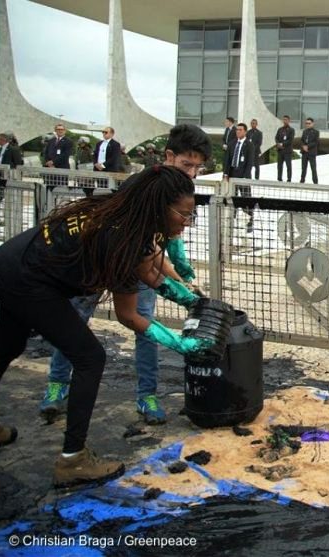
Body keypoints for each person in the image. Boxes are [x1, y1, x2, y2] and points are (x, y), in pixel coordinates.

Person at [0, 165, 213, 487]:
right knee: (89, 357)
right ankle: (73, 460)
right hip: (29, 281)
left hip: (11, 263)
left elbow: (150, 272)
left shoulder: (122, 215)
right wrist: (180, 344)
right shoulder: (122, 242)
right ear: (159, 208)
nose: (187, 223)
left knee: (8, 344)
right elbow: (130, 316)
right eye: (184, 215)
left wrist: (188, 299)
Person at [40, 124, 212, 426]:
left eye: (198, 167)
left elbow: (164, 240)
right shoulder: (143, 185)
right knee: (76, 319)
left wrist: (181, 275)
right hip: (99, 263)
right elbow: (145, 247)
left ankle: (147, 394)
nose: (193, 173)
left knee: (145, 324)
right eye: (187, 164)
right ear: (169, 156)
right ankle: (57, 384)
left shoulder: (181, 188)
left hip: (139, 263)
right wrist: (174, 278)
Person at [224, 123, 256, 232]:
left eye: (240, 130)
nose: (238, 131)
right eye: (237, 130)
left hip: (243, 176)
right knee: (232, 199)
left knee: (246, 200)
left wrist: (245, 178)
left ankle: (250, 221)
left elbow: (250, 162)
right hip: (232, 175)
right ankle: (232, 221)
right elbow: (227, 160)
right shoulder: (232, 143)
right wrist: (225, 174)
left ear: (245, 131)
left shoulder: (249, 145)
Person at [0, 132, 24, 202]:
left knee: (7, 189)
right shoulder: (1, 148)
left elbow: (18, 163)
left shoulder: (13, 149)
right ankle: (1, 198)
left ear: (3, 139)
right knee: (0, 186)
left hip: (9, 173)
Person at [275, 115, 295, 182]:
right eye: (284, 119)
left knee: (288, 165)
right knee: (279, 165)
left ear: (289, 120)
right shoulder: (280, 129)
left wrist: (282, 144)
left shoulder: (291, 130)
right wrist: (278, 144)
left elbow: (290, 140)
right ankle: (279, 178)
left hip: (287, 151)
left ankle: (289, 179)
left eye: (286, 119)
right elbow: (276, 137)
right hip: (280, 150)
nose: (285, 121)